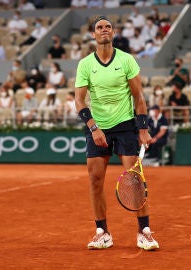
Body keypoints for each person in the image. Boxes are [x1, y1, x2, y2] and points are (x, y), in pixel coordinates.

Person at [74, 16, 159, 251]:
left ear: (113, 32)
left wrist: (142, 128)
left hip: (125, 126)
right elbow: (79, 101)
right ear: (93, 34)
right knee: (95, 180)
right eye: (100, 27)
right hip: (98, 128)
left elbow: (138, 96)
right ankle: (102, 233)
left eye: (108, 27)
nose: (104, 30)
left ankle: (145, 232)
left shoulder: (127, 60)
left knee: (134, 179)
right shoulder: (85, 64)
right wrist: (93, 127)